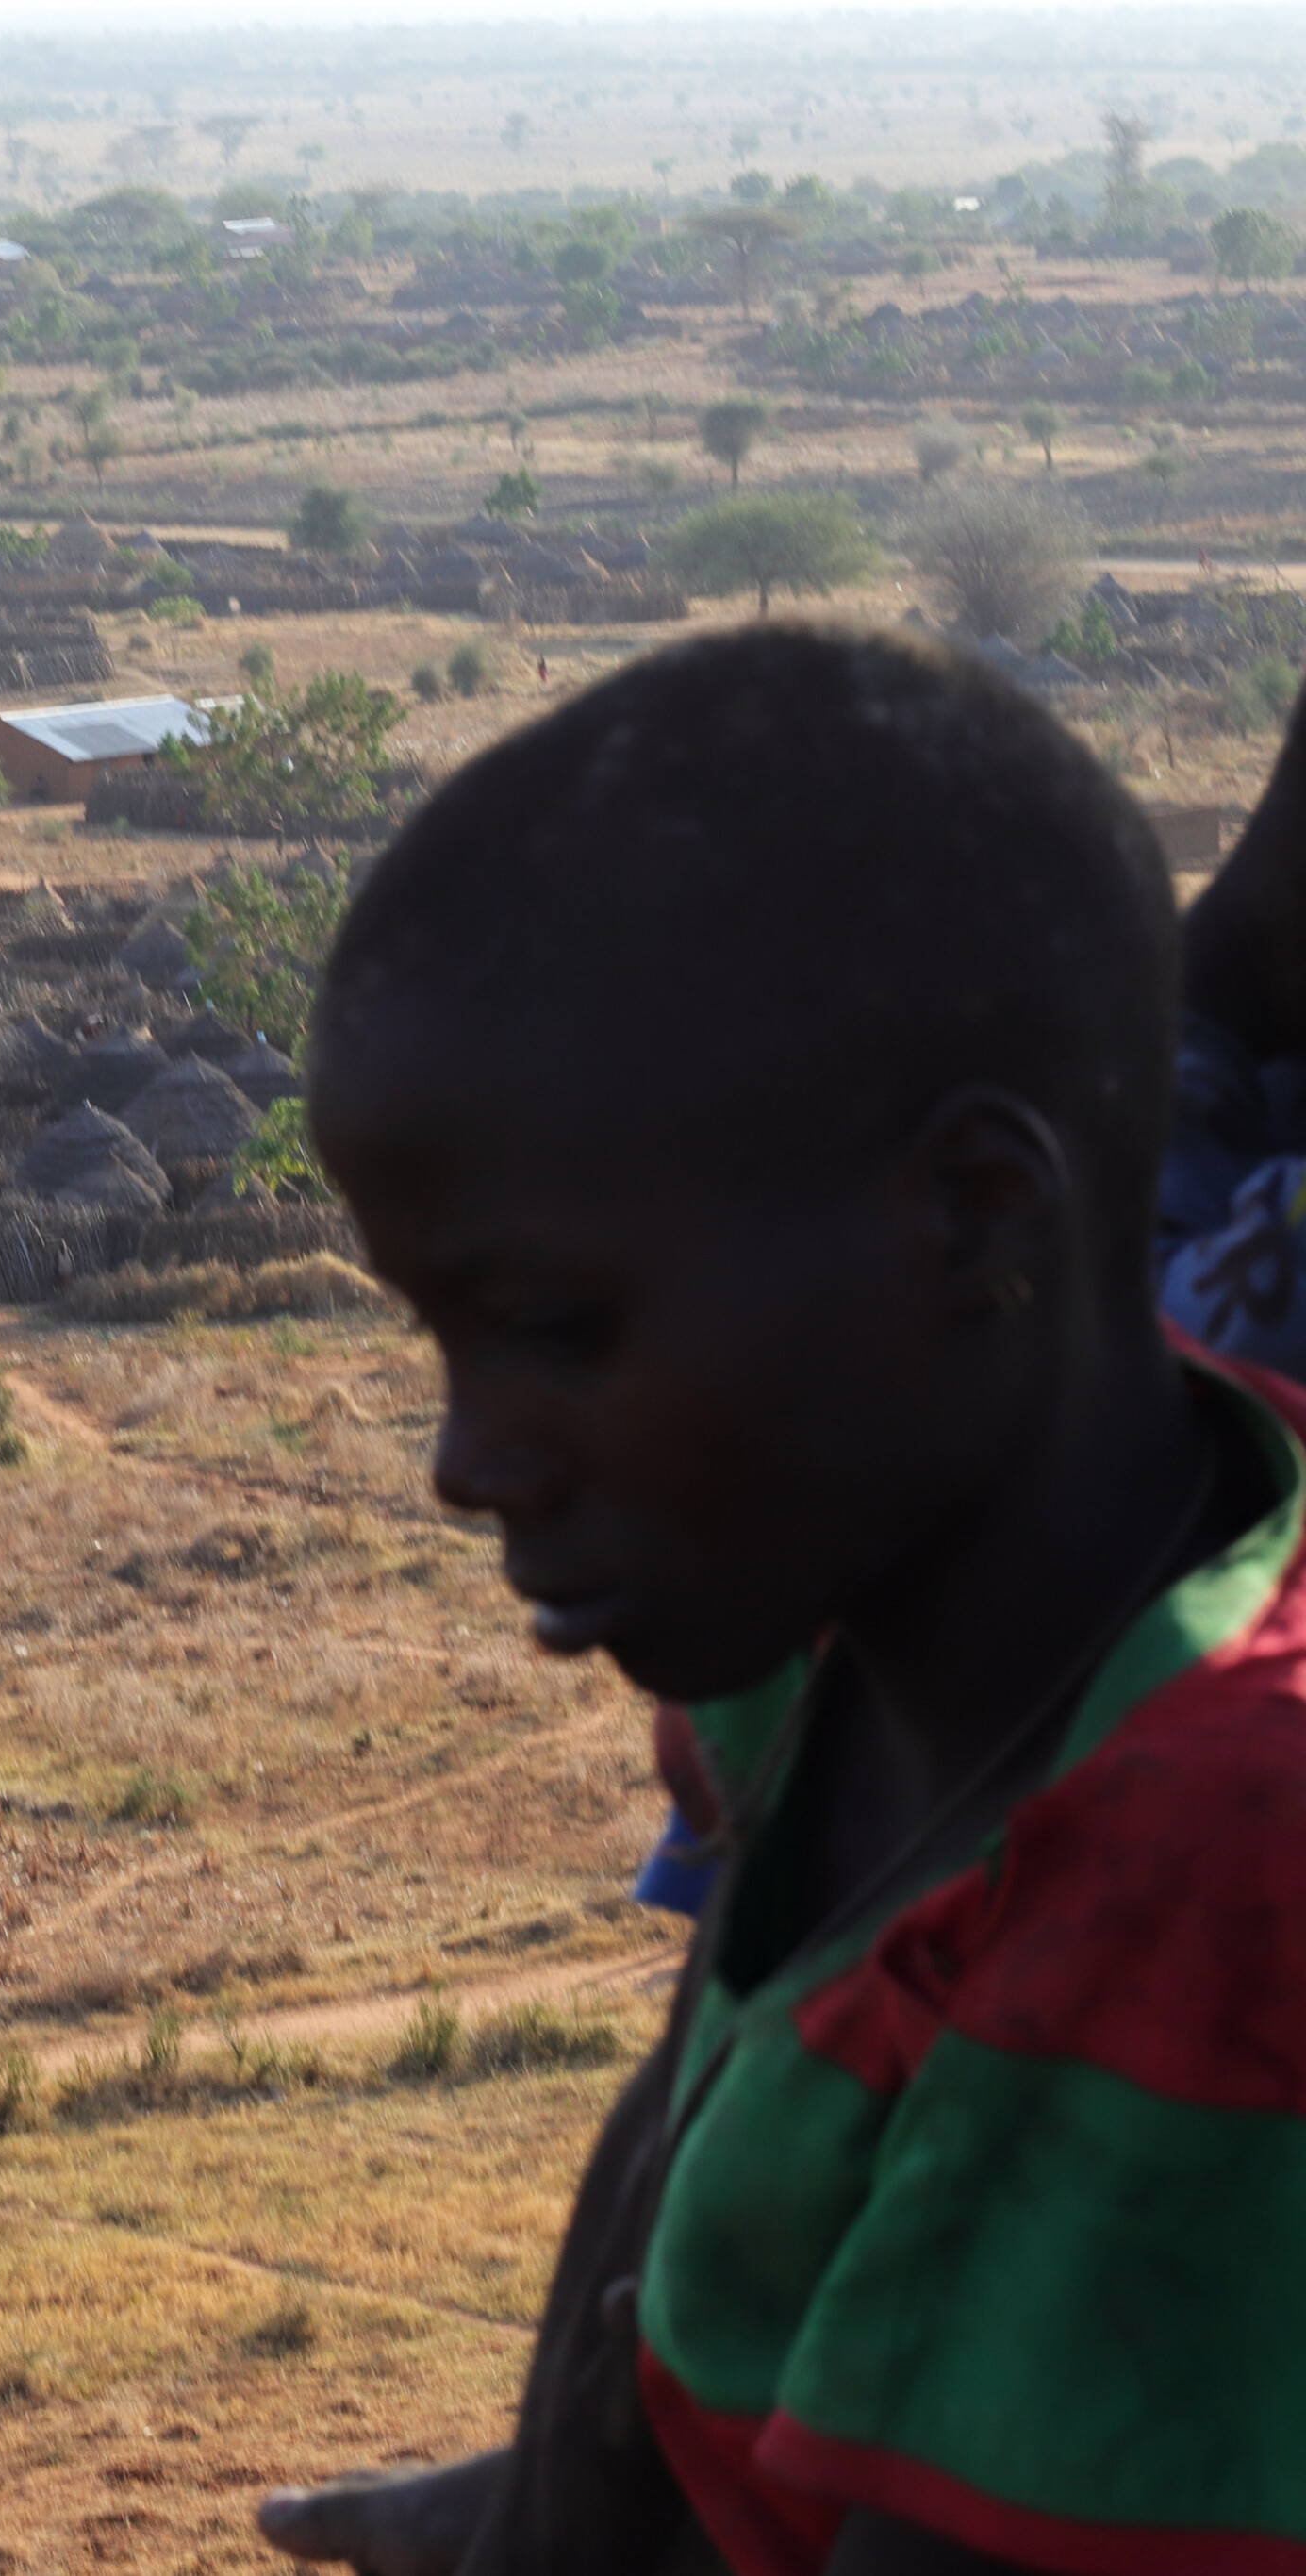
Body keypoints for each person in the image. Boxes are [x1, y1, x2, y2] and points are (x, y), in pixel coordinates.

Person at [263, 630, 1306, 2576]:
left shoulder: (1216, 1879)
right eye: (437, 1339)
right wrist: (545, 2517)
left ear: (979, 1221)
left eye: (554, 1331)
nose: (461, 1458)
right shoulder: (846, 1641)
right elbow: (677, 2179)